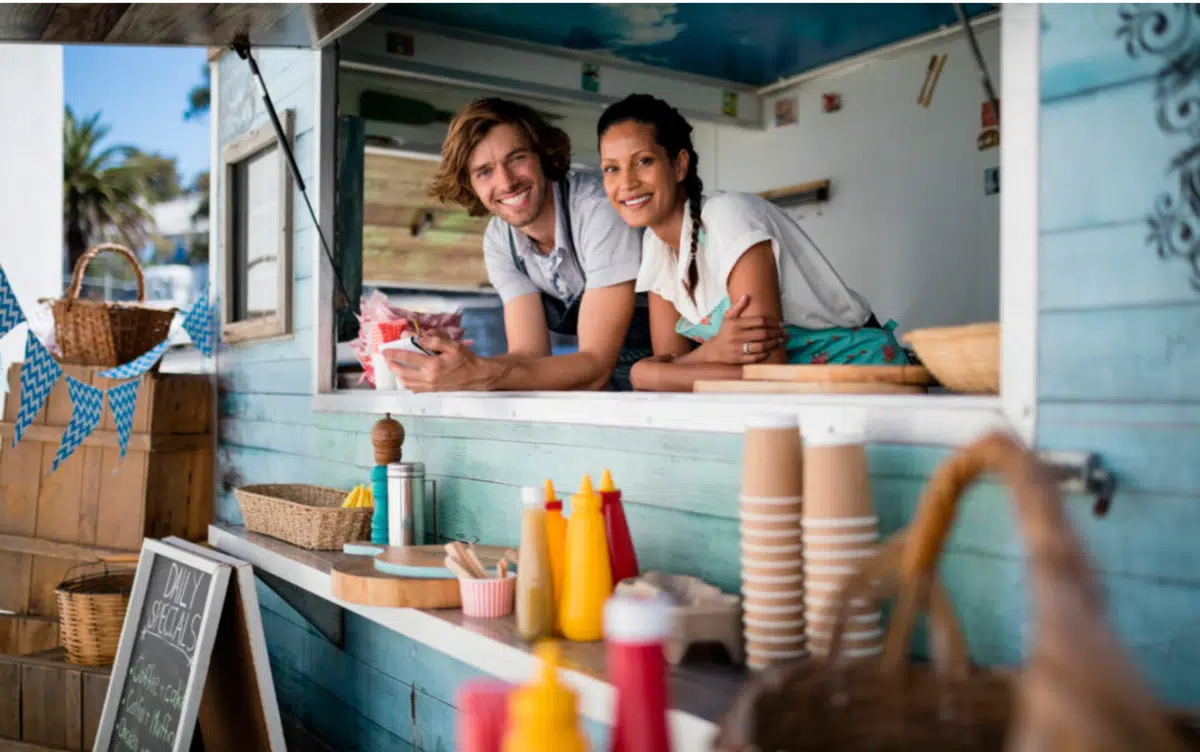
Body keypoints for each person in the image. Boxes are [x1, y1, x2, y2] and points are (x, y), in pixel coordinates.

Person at [596, 93, 910, 393]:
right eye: (611, 168)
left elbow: (765, 374)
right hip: (793, 397)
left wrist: (650, 372)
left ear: (679, 165)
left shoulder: (728, 217)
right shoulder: (656, 246)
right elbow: (672, 376)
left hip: (864, 381)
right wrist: (694, 359)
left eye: (644, 161)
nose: (626, 183)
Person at [383, 97, 653, 392]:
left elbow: (595, 366)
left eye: (516, 158)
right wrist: (457, 368)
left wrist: (480, 374)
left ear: (542, 154)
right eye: (484, 172)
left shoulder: (597, 212)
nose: (507, 182)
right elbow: (529, 356)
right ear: (470, 185)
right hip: (611, 392)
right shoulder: (500, 241)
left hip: (671, 384)